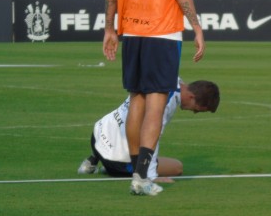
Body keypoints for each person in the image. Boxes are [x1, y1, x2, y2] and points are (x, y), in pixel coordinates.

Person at [102, 0, 205, 196]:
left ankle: (138, 173)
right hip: (162, 31)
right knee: (156, 104)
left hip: (131, 30)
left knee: (137, 100)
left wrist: (110, 28)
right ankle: (142, 178)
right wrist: (197, 26)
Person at [78, 79, 220, 185]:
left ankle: (93, 160)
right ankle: (111, 169)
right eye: (196, 109)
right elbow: (152, 138)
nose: (194, 112)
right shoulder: (166, 101)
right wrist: (151, 175)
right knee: (177, 167)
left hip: (97, 134)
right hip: (117, 161)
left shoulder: (168, 77)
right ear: (191, 97)